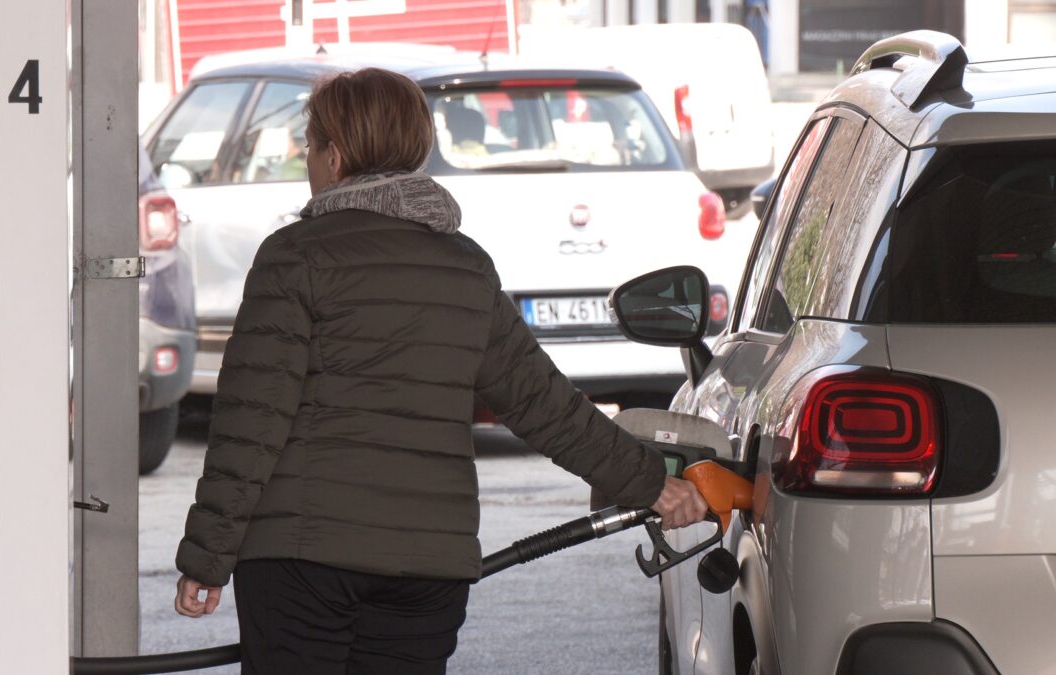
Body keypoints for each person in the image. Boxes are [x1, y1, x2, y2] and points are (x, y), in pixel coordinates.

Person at [173, 67, 707, 674]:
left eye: (311, 145)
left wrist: (207, 557)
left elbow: (252, 424)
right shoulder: (464, 267)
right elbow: (545, 405)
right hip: (427, 569)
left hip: (302, 561)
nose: (307, 161)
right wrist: (651, 482)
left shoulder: (296, 256)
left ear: (337, 156)